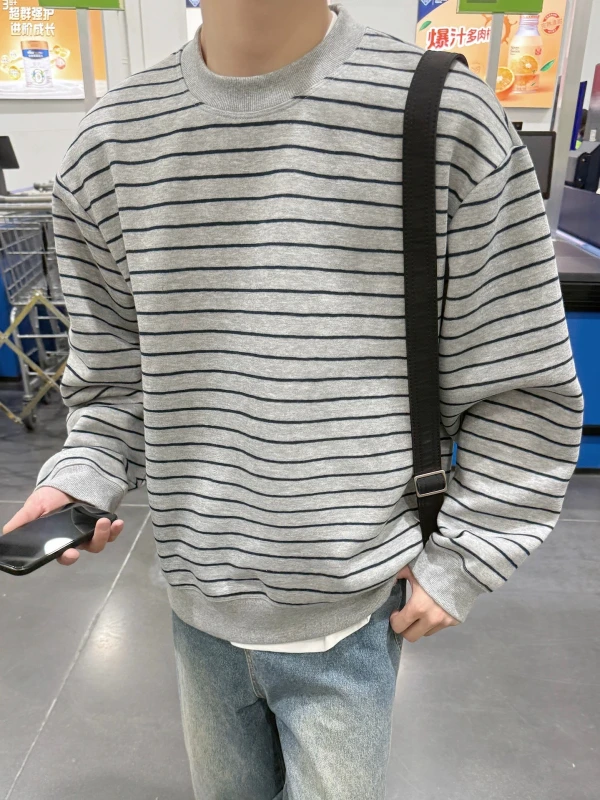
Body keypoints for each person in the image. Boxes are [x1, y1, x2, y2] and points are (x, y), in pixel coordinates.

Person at [4, 2, 583, 798]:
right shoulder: (112, 142)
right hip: (197, 603)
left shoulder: (444, 117)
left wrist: (469, 555)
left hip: (355, 610)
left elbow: (520, 382)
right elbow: (113, 380)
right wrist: (84, 476)